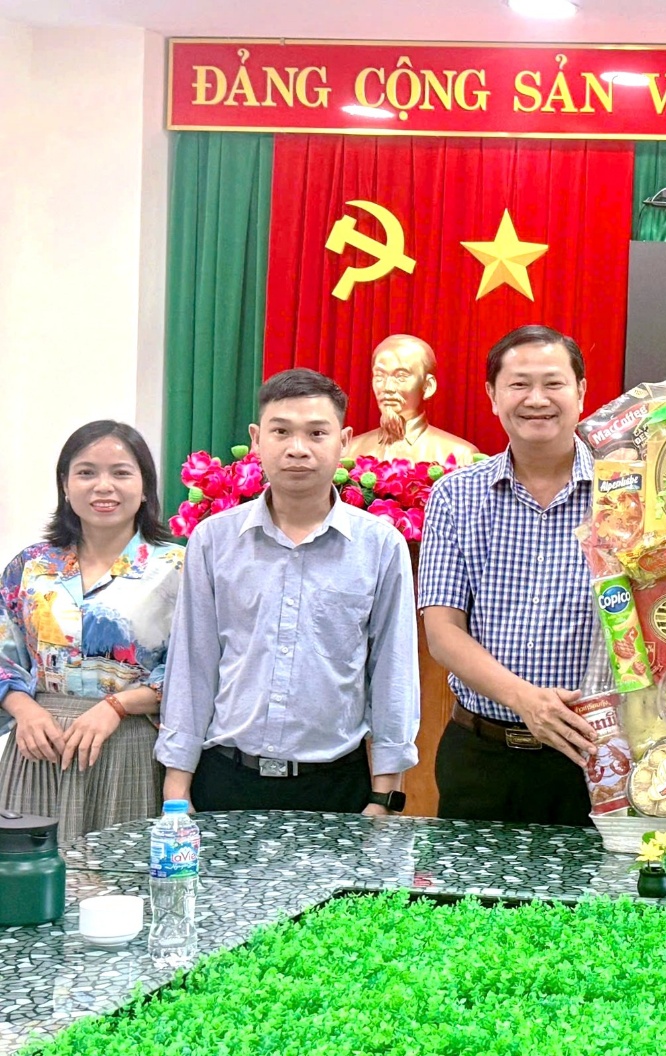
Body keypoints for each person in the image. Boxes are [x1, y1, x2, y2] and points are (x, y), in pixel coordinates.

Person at [157, 369, 418, 815]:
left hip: (336, 786)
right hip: (227, 779)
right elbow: (192, 665)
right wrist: (176, 789)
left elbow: (393, 670)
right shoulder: (213, 540)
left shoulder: (380, 545)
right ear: (257, 439)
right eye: (281, 431)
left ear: (344, 441)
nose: (298, 448)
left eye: (317, 433)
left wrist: (385, 795)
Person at [418, 324, 602, 825]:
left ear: (581, 392)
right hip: (481, 755)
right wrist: (526, 701)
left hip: (597, 756)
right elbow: (442, 632)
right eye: (519, 384)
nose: (536, 399)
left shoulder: (627, 495)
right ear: (493, 395)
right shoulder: (456, 496)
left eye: (553, 383)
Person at [0, 422, 183, 843]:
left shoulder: (178, 568)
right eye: (86, 472)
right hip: (38, 746)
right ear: (65, 486)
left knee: (116, 874)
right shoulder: (31, 566)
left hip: (129, 746)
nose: (104, 486)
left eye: (121, 473)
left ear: (145, 486)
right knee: (30, 875)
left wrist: (118, 706)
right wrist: (24, 710)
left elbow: (197, 670)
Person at [344, 334, 483, 463]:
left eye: (401, 376)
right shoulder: (349, 452)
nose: (387, 387)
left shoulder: (460, 456)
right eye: (380, 376)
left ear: (428, 386)